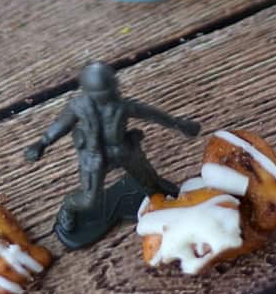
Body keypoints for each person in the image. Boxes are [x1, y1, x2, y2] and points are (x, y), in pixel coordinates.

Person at [25, 61, 200, 234]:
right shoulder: (79, 107)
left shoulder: (121, 106)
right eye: (103, 92)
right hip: (94, 156)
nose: (109, 94)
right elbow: (61, 125)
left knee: (149, 181)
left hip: (123, 149)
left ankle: (158, 195)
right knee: (89, 200)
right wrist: (42, 142)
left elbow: (151, 113)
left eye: (111, 89)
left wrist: (179, 124)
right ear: (88, 92)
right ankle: (69, 207)